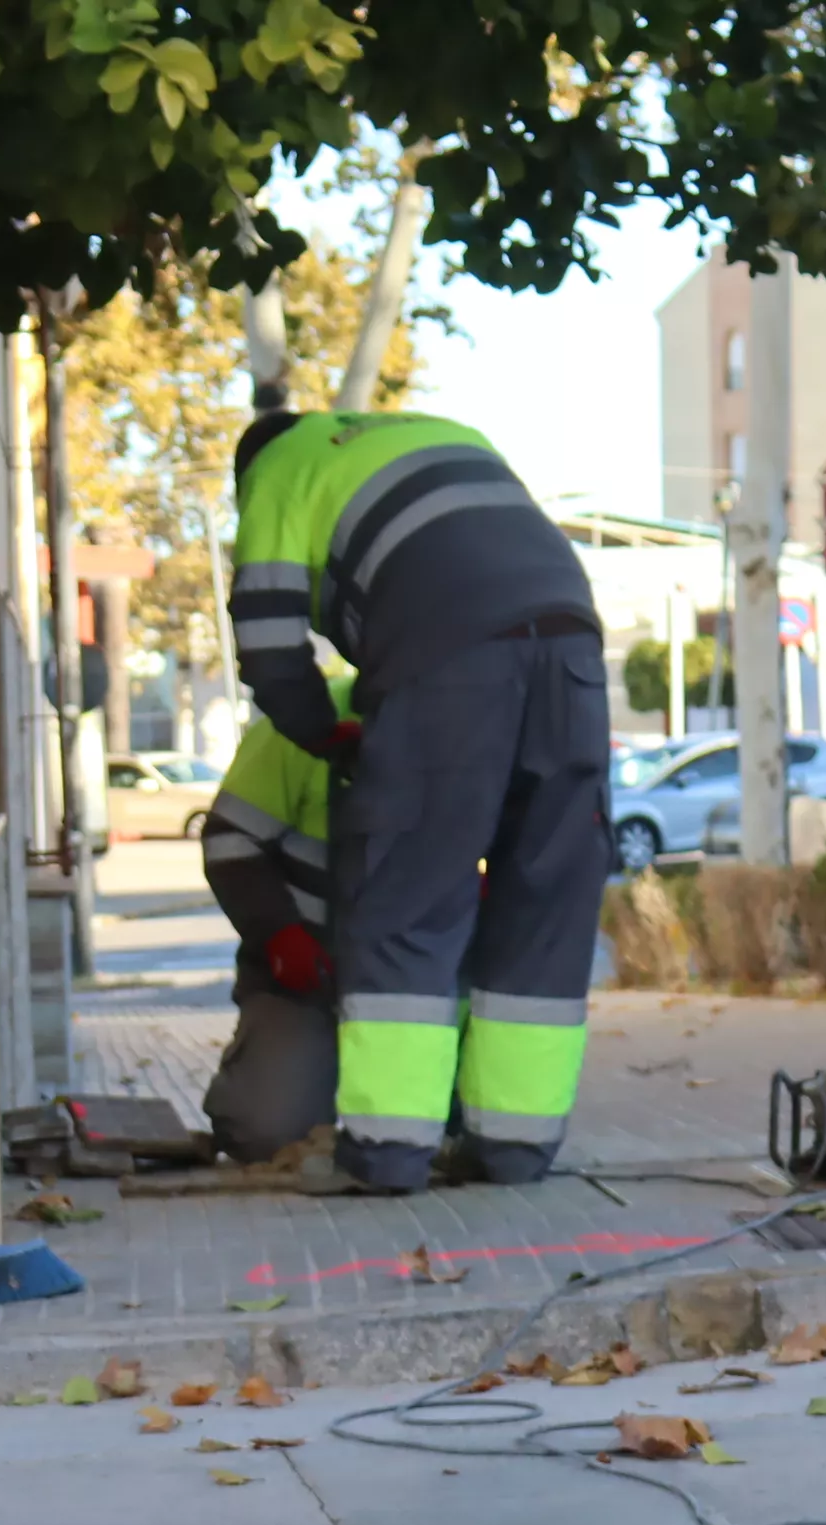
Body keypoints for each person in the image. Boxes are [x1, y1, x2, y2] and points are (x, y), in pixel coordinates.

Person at [227, 407, 608, 1192]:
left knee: (406, 895)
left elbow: (268, 645)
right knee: (544, 900)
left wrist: (327, 732)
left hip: (450, 659)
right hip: (573, 644)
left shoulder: (276, 468)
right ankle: (512, 1148)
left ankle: (386, 1158)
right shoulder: (444, 433)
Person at [196, 675, 349, 1162]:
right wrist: (280, 934)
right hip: (310, 983)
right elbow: (230, 841)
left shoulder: (473, 725)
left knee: (440, 1127)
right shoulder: (306, 722)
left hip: (430, 995)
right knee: (266, 1131)